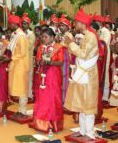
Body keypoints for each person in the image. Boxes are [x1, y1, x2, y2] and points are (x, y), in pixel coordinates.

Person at [64, 9, 99, 139]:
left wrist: (71, 43)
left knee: (88, 104)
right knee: (82, 103)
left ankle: (89, 133)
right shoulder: (86, 35)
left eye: (76, 22)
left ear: (82, 23)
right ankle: (83, 131)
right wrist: (70, 43)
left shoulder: (91, 37)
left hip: (88, 74)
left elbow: (83, 54)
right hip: (82, 72)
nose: (74, 24)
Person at [32, 28, 64, 132]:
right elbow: (37, 60)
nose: (43, 39)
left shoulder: (59, 47)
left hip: (53, 74)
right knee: (42, 97)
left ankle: (53, 122)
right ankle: (42, 122)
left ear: (52, 37)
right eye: (42, 37)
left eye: (45, 37)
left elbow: (61, 62)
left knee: (53, 97)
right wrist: (40, 62)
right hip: (42, 74)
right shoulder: (41, 47)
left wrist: (49, 62)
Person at [8, 14, 30, 117]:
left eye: (10, 23)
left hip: (21, 65)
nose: (9, 25)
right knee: (18, 87)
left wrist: (11, 58)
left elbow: (23, 53)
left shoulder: (21, 36)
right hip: (16, 65)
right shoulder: (16, 34)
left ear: (14, 24)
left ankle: (23, 111)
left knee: (22, 89)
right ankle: (20, 110)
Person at [93, 14, 111, 103]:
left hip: (105, 55)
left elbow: (104, 43)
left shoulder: (106, 31)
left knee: (105, 75)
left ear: (100, 22)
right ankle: (98, 95)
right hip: (97, 56)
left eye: (97, 21)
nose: (96, 23)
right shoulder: (96, 31)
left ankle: (105, 97)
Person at [21, 13, 36, 101]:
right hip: (21, 59)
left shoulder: (31, 34)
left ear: (29, 24)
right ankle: (23, 93)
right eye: (22, 23)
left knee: (29, 77)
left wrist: (22, 41)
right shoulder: (20, 33)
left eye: (25, 23)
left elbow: (29, 46)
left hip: (28, 59)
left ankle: (29, 95)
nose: (24, 25)